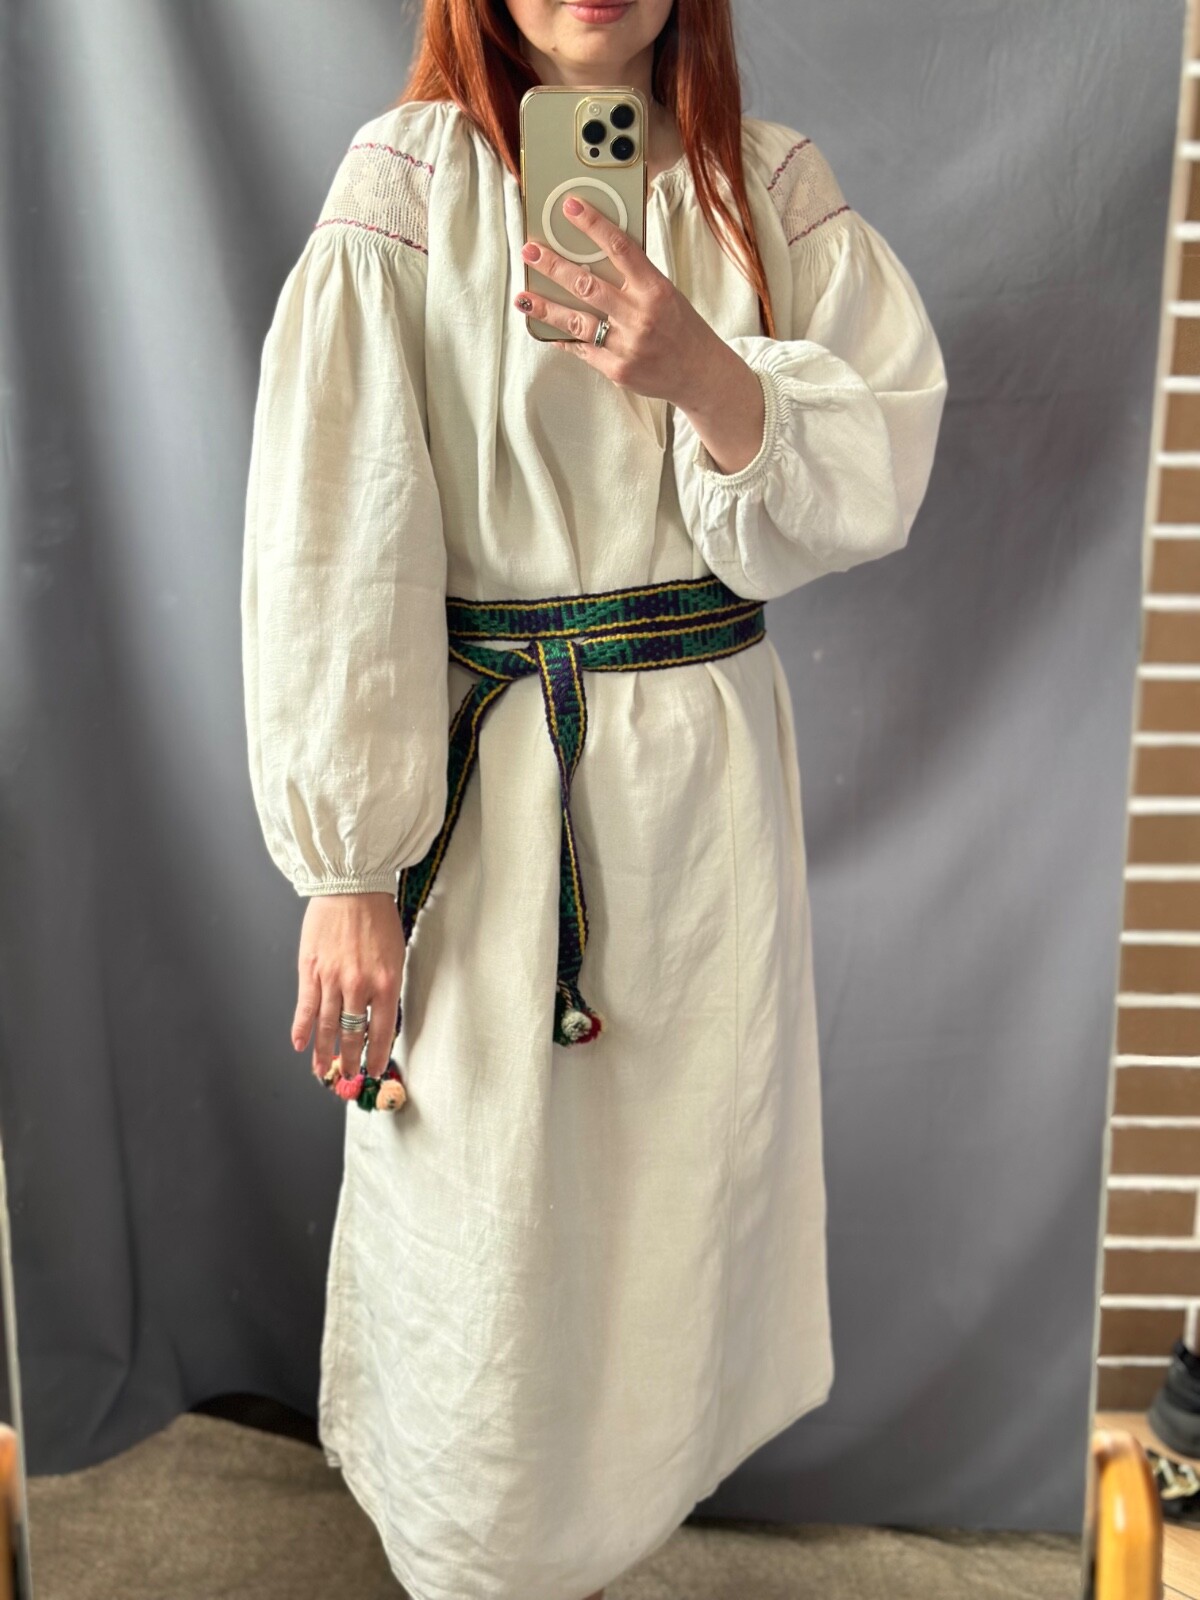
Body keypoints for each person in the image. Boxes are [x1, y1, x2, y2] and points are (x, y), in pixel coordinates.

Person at [239, 0, 949, 1594]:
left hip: (701, 814)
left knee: (660, 1236)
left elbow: (881, 454)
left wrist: (705, 371)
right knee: (486, 1236)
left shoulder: (763, 188)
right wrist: (348, 869)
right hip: (491, 802)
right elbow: (332, 528)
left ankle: (596, 1549)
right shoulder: (410, 185)